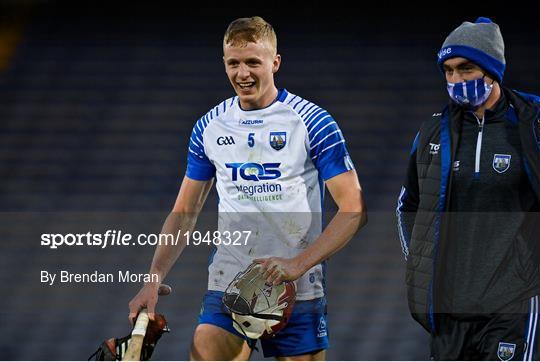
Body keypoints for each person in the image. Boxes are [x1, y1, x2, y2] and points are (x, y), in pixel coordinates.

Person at [129, 16, 366, 360]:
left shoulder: (312, 122)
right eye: (233, 63)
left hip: (297, 291)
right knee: (205, 346)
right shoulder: (209, 127)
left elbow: (354, 210)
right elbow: (184, 212)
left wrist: (298, 264)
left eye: (253, 62)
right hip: (229, 282)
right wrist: (152, 279)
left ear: (275, 62)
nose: (243, 73)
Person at [397, 17, 540, 360]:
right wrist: (420, 260)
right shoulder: (433, 132)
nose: (455, 79)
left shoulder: (532, 124)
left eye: (466, 68)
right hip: (450, 308)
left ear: (492, 69)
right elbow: (407, 205)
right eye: (448, 70)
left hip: (513, 300)